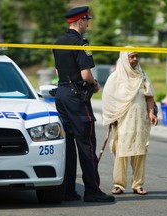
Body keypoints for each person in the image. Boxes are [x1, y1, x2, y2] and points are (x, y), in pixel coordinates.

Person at [52, 6, 115, 203]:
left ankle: (68, 190)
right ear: (80, 21)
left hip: (61, 93)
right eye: (87, 20)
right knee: (86, 144)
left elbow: (57, 71)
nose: (89, 24)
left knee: (68, 145)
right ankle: (92, 190)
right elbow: (85, 74)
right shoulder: (81, 42)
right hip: (76, 96)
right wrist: (95, 85)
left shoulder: (59, 42)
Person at [102, 48, 158, 195]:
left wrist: (151, 113)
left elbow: (149, 96)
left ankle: (138, 184)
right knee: (121, 153)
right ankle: (119, 185)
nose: (134, 59)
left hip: (140, 121)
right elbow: (108, 98)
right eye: (131, 57)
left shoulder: (142, 76)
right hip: (122, 122)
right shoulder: (116, 77)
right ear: (124, 59)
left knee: (139, 152)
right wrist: (111, 116)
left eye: (136, 56)